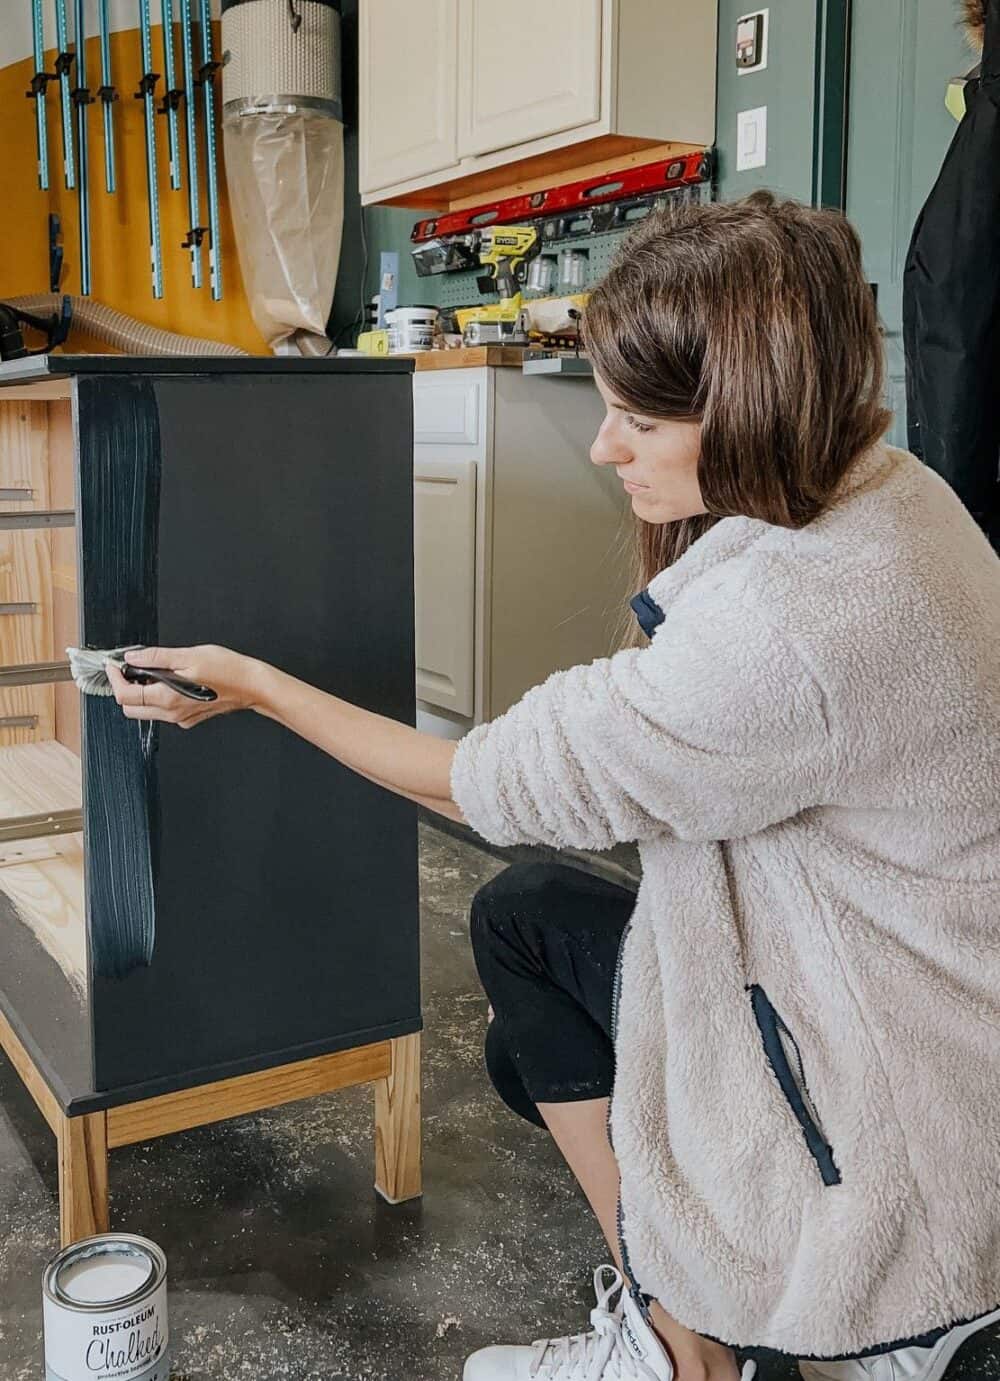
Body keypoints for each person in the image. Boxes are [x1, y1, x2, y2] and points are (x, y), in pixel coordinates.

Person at [110, 193, 1000, 1381]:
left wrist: (256, 687)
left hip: (890, 1084)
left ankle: (730, 1342)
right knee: (525, 914)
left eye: (636, 417)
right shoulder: (895, 492)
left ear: (748, 403)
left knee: (522, 926)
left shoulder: (788, 629)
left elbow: (483, 787)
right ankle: (689, 1324)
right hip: (926, 992)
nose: (602, 446)